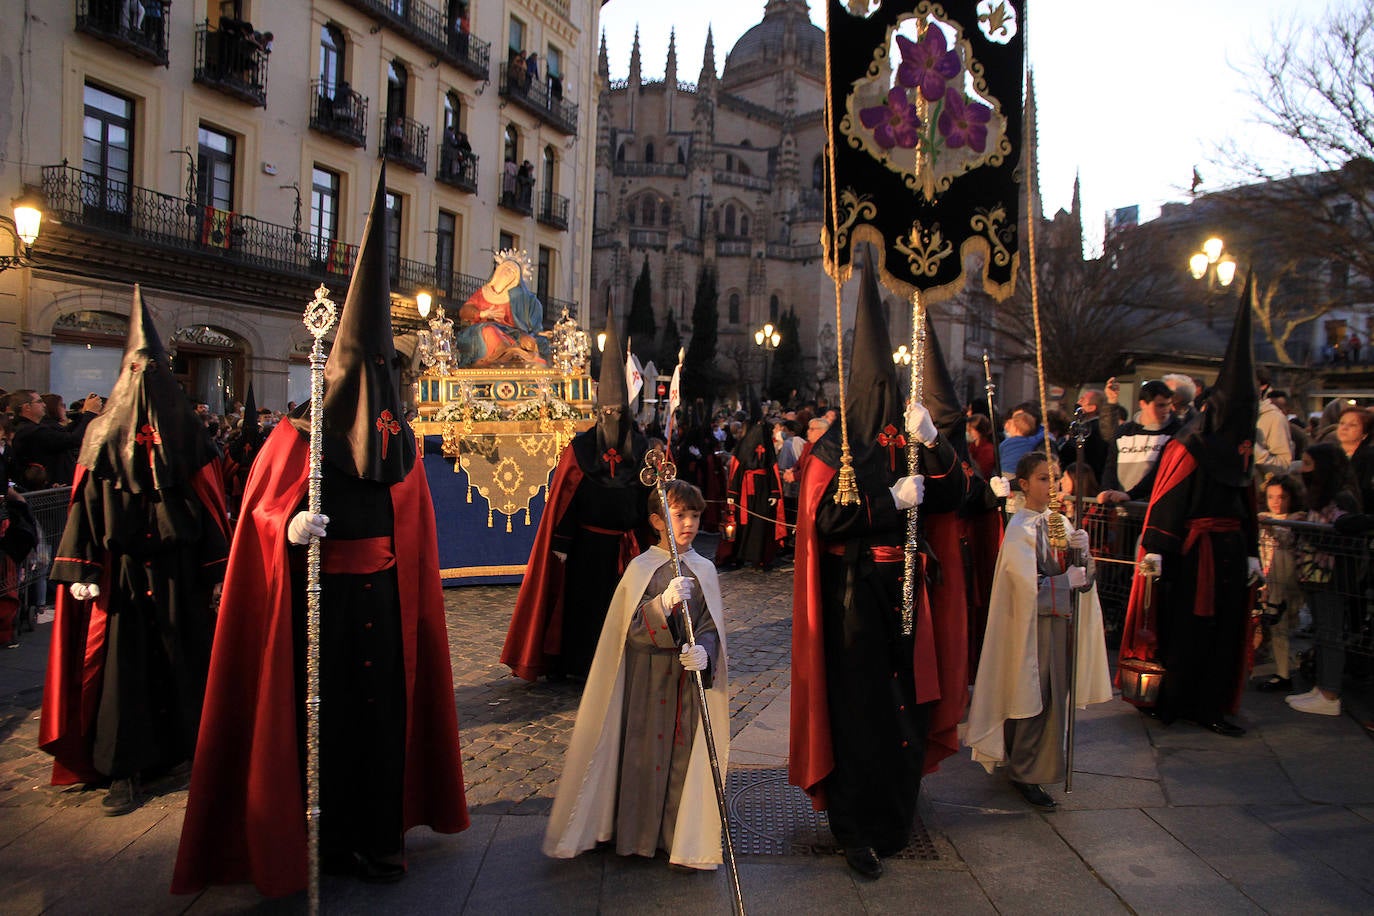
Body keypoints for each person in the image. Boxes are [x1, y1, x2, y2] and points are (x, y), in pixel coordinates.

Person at [173, 168, 468, 896]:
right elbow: (260, 513)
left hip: (385, 610)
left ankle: (377, 839)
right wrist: (289, 525)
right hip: (316, 611)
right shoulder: (295, 435)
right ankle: (320, 839)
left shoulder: (399, 443)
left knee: (379, 730)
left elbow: (415, 529)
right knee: (320, 729)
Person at [790, 251, 966, 879]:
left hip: (908, 591)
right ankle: (856, 825)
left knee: (906, 704)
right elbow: (822, 522)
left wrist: (933, 440)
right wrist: (887, 500)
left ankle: (897, 812)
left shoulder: (905, 435)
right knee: (861, 712)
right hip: (853, 598)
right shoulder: (833, 447)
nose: (885, 401)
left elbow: (956, 492)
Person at [39, 287, 230, 815]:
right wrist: (79, 563)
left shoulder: (190, 435)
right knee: (125, 673)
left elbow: (210, 506)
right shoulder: (100, 435)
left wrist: (217, 569)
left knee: (183, 664)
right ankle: (125, 765)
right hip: (124, 574)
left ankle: (181, 751)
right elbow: (85, 502)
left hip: (181, 573)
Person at [543, 479, 727, 869]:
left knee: (680, 759)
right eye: (680, 515)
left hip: (684, 685)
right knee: (644, 757)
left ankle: (678, 838)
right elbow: (628, 630)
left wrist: (705, 652)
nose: (689, 524)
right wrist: (662, 603)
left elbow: (710, 626)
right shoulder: (640, 567)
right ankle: (638, 838)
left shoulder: (705, 569)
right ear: (658, 520)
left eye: (695, 516)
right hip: (645, 680)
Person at [1118, 278, 1263, 737]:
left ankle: (1213, 704)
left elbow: (1247, 498)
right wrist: (1156, 546)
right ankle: (1174, 700)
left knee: (1224, 633)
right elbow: (1169, 497)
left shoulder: (1238, 446)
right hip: (1190, 555)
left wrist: (1253, 549)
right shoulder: (1189, 444)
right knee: (1185, 630)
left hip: (1230, 551)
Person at [502, 312, 651, 681]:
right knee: (583, 609)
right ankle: (579, 665)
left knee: (621, 610)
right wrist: (562, 542)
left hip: (626, 549)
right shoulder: (581, 448)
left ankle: (620, 664)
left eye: (617, 412)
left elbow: (651, 499)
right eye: (605, 412)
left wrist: (652, 542)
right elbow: (565, 499)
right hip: (585, 548)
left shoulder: (643, 448)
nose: (611, 417)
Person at [965, 451, 1112, 809]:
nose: (1053, 485)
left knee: (1049, 698)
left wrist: (1083, 557)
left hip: (1056, 626)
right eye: (1044, 478)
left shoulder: (1058, 522)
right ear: (1026, 484)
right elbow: (1022, 587)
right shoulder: (1020, 528)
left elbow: (1080, 577)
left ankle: (1026, 763)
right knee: (1033, 697)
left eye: (1056, 477)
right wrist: (1064, 584)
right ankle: (1026, 771)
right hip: (1031, 631)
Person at [1285, 443, 1362, 716]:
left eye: (1307, 464)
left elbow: (1339, 536)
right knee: (1322, 631)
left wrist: (1305, 527)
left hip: (1330, 576)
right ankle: (1322, 687)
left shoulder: (1341, 498)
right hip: (1314, 573)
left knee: (1330, 633)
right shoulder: (1319, 495)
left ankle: (1330, 693)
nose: (1303, 469)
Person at [716, 402, 786, 571]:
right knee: (742, 524)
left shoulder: (766, 450)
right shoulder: (743, 448)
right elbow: (737, 472)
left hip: (763, 493)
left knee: (761, 525)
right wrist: (732, 492)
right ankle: (740, 554)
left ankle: (759, 557)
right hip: (744, 493)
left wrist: (775, 493)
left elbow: (772, 471)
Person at [455, 248, 550, 367]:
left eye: (512, 272)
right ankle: (502, 352)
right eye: (506, 269)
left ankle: (509, 352)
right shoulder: (483, 292)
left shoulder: (521, 299)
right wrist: (483, 314)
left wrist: (530, 335)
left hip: (513, 334)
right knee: (489, 330)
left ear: (515, 280)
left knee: (530, 343)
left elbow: (530, 326)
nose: (507, 272)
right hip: (482, 333)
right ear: (498, 271)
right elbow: (464, 311)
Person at [1255, 474, 1304, 693]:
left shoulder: (1298, 518)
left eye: (1282, 497)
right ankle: (1282, 673)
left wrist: (1273, 527)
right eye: (1271, 496)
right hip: (1268, 581)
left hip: (1292, 581)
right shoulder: (1262, 517)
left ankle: (1274, 605)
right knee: (1279, 625)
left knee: (1281, 556)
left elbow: (1286, 539)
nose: (1276, 501)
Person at [1097, 380, 1182, 504]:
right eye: (1160, 405)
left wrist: (1131, 495)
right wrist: (1107, 491)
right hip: (1122, 507)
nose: (1166, 410)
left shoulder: (1176, 432)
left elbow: (1160, 473)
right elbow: (1111, 465)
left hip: (1154, 506)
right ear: (1143, 404)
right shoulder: (1124, 432)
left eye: (1168, 405)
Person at [8, 389, 98, 488]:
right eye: (39, 402)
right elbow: (72, 439)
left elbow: (65, 434)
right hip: (44, 492)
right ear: (27, 407)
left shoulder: (31, 429)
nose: (44, 405)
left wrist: (84, 415)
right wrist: (90, 413)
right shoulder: (31, 431)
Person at [1331, 405, 1373, 513]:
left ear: (1365, 434)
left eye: (1353, 425)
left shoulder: (1369, 457)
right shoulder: (1329, 453)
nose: (1344, 428)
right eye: (1342, 423)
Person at [1254, 372, 1294, 484]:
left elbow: (1283, 467)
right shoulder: (1223, 415)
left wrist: (1251, 447)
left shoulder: (1275, 418)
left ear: (1262, 386)